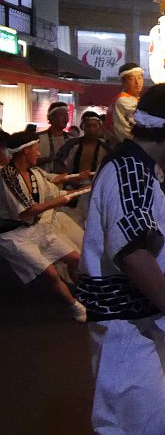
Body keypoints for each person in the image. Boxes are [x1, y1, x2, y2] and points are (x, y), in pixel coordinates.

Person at [75, 82, 165, 434]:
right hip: (129, 324)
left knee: (163, 418)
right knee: (134, 422)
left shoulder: (147, 168)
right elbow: (132, 250)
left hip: (148, 316)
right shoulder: (130, 171)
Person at [0, 130, 88, 322]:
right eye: (36, 149)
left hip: (38, 229)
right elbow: (26, 212)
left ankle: (87, 296)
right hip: (14, 236)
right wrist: (61, 200)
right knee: (50, 273)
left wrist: (83, 188)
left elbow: (53, 189)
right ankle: (76, 307)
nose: (40, 154)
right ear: (25, 151)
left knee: (76, 259)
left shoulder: (35, 173)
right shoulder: (7, 176)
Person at [53, 111, 113, 225]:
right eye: (88, 126)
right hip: (72, 186)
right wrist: (68, 178)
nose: (91, 129)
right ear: (83, 127)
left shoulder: (106, 147)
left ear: (100, 127)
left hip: (93, 188)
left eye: (94, 126)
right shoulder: (71, 144)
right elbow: (58, 162)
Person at [111, 62, 144, 144]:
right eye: (131, 79)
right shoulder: (123, 100)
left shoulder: (135, 98)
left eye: (139, 77)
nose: (137, 82)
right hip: (132, 144)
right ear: (123, 82)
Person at [37, 101, 71, 172]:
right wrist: (49, 159)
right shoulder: (39, 138)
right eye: (61, 115)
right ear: (51, 117)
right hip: (44, 177)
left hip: (68, 177)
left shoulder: (71, 139)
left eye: (66, 114)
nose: (66, 118)